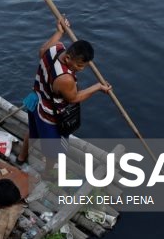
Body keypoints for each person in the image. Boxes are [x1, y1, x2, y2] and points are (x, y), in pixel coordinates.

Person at [16, 18, 111, 174]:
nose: (81, 69)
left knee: (32, 133)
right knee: (54, 151)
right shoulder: (65, 78)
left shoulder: (56, 48)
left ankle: (21, 157)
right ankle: (48, 173)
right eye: (79, 65)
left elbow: (41, 51)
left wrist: (59, 31)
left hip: (35, 101)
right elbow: (73, 98)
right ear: (68, 59)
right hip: (48, 115)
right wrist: (97, 87)